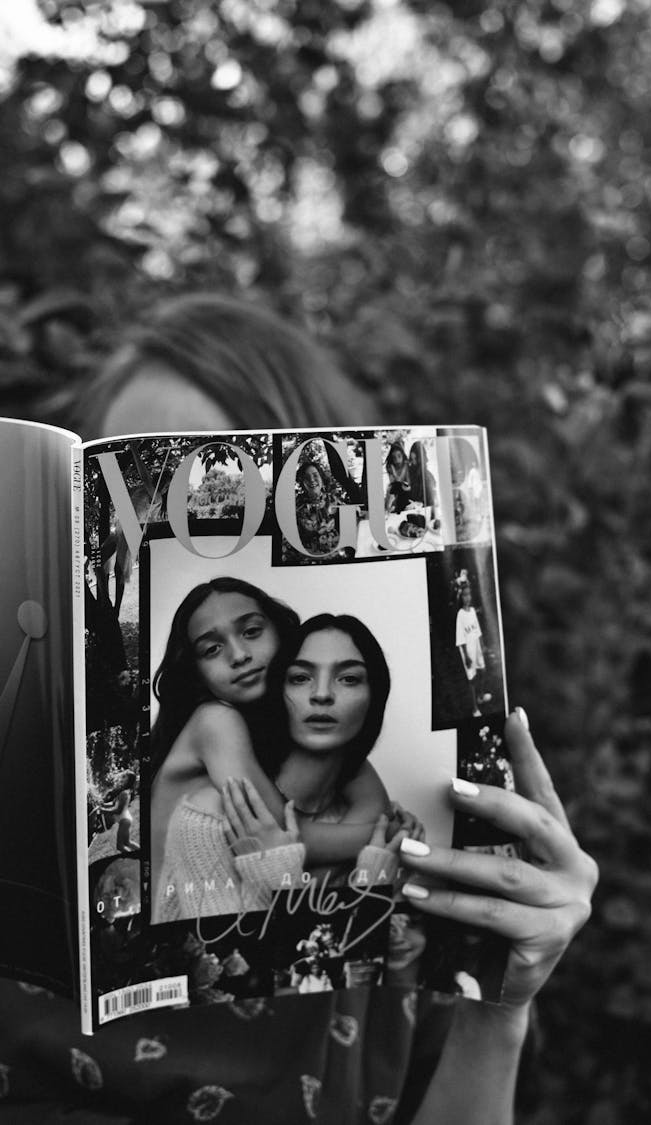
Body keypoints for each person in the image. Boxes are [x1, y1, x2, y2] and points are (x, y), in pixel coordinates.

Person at [1, 292, 597, 1125]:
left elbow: (309, 841)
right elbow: (279, 845)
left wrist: (500, 1007)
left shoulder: (383, 807)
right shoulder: (75, 768)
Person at [150, 581, 392, 920]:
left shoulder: (285, 727)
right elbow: (282, 832)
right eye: (212, 650)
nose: (239, 656)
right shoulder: (215, 721)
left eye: (251, 631)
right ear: (196, 674)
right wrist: (385, 833)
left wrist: (380, 826)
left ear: (282, 635)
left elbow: (374, 803)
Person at [455, 583, 492, 717]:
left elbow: (477, 629)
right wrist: (466, 656)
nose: (468, 597)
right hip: (467, 650)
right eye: (465, 595)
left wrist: (482, 645)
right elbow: (460, 638)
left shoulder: (472, 611)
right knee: (472, 679)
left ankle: (480, 696)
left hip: (476, 647)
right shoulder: (460, 615)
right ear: (461, 597)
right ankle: (475, 709)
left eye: (469, 594)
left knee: (483, 670)